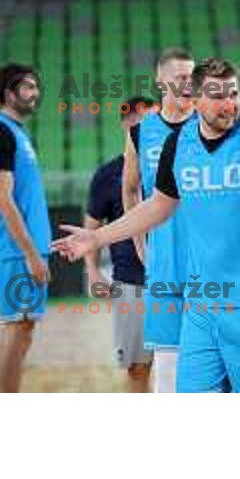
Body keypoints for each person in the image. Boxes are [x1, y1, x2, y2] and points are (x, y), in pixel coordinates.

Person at [52, 57, 240, 393]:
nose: (229, 104)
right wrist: (97, 237)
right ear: (197, 97)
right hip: (202, 303)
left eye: (233, 94)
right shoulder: (178, 145)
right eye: (217, 95)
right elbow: (159, 205)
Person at [121, 48, 195, 393]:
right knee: (167, 358)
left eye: (192, 77)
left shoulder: (208, 124)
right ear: (160, 81)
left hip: (210, 259)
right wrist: (140, 245)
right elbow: (130, 190)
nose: (189, 84)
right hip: (164, 258)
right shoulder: (141, 132)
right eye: (181, 77)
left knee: (216, 355)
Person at [0, 64, 51, 393]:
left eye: (36, 87)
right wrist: (30, 253)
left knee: (24, 329)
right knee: (16, 326)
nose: (35, 93)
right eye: (29, 87)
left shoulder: (16, 132)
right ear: (10, 93)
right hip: (15, 250)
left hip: (25, 248)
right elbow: (3, 200)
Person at [84, 97, 152, 392]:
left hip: (176, 279)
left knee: (182, 363)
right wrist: (94, 272)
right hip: (131, 280)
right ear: (128, 124)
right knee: (138, 368)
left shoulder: (174, 165)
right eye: (145, 119)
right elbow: (91, 227)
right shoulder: (108, 174)